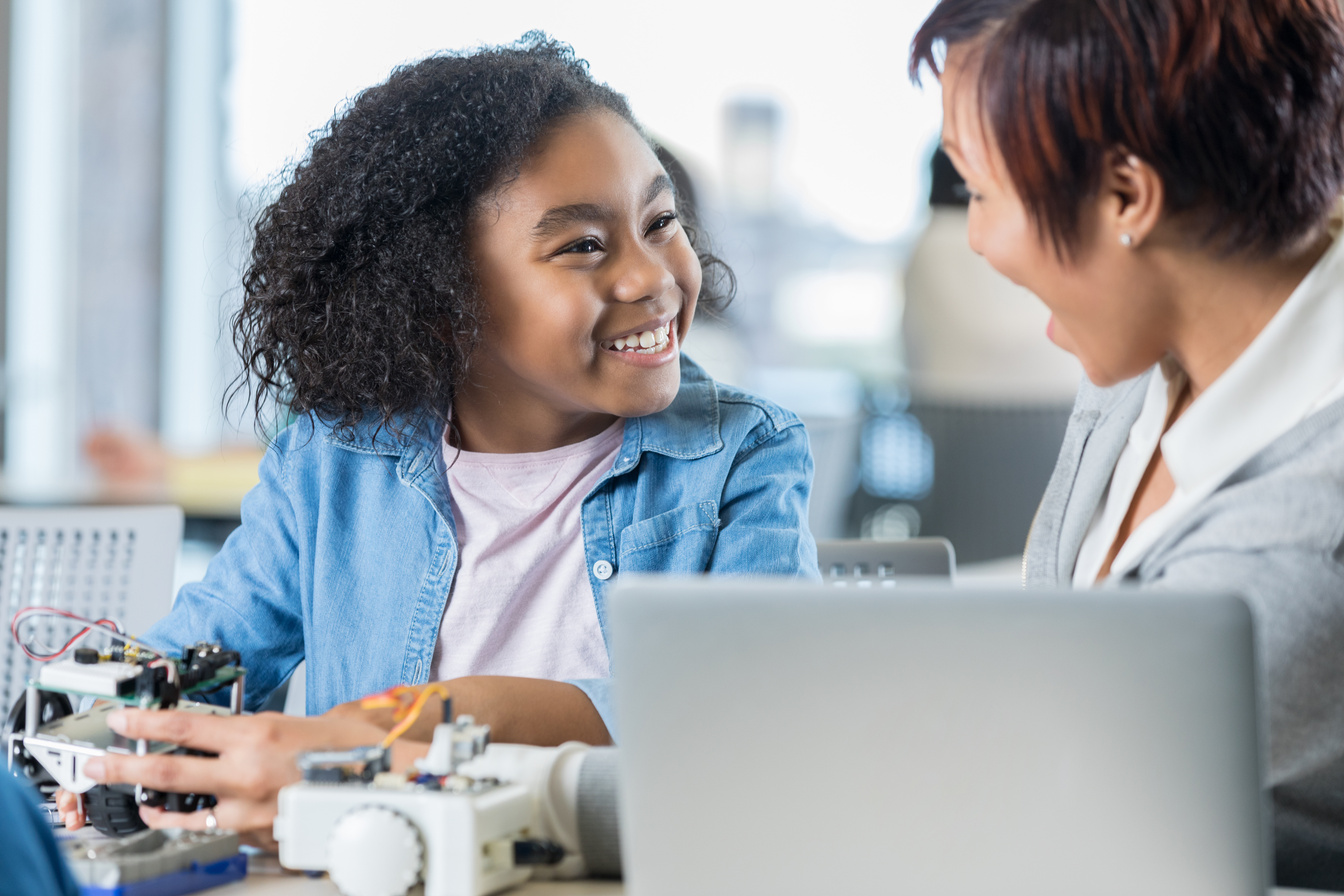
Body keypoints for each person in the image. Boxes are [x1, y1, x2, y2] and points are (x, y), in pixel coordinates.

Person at [360, 0, 1344, 886]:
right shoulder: (1140, 370)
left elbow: (1016, 798)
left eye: (985, 191)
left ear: (1128, 197)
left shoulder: (1311, 514)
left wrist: (506, 788)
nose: (976, 243)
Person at [55, 34, 817, 846]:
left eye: (660, 221)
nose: (655, 277)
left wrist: (387, 732)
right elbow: (201, 664)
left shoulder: (742, 455)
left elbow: (750, 709)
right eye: (584, 246)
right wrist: (117, 750)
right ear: (439, 303)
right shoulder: (332, 465)